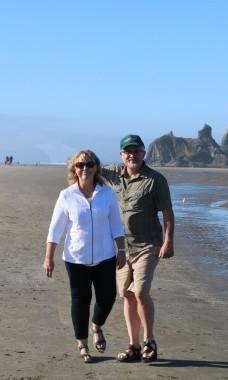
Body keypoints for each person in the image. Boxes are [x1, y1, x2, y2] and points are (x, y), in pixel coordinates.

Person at [44, 150, 126, 363]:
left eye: (89, 164)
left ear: (96, 167)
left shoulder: (106, 193)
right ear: (74, 169)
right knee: (81, 300)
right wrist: (49, 257)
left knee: (107, 296)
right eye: (80, 165)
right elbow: (55, 229)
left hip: (105, 255)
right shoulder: (66, 195)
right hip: (76, 258)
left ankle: (97, 325)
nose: (85, 169)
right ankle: (82, 343)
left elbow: (116, 224)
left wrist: (122, 251)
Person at [101, 134, 174, 363]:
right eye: (127, 152)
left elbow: (168, 213)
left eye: (136, 151)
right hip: (121, 248)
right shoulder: (113, 174)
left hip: (148, 246)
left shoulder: (155, 180)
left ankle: (149, 341)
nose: (132, 155)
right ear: (121, 155)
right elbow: (85, 166)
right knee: (126, 295)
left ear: (144, 153)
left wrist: (168, 242)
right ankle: (133, 345)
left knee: (140, 292)